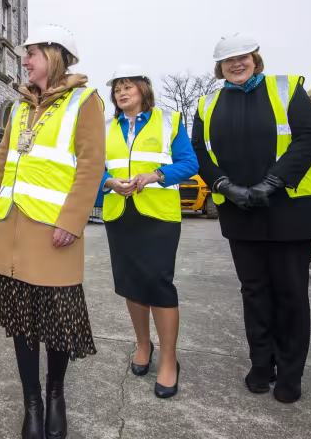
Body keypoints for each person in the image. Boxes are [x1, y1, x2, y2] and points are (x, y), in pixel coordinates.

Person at [192, 34, 311, 404]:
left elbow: (309, 137)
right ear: (219, 68)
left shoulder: (286, 89)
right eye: (228, 60)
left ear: (255, 58)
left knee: (290, 293)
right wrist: (224, 185)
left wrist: (272, 182)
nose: (237, 64)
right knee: (254, 292)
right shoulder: (207, 104)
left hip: (289, 209)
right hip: (241, 211)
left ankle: (290, 372)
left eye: (243, 57)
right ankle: (260, 364)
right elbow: (199, 153)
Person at [0, 26, 104, 439]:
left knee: (58, 320)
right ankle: (31, 401)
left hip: (54, 231)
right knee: (21, 321)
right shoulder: (18, 107)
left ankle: (55, 394)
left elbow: (91, 167)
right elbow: (2, 160)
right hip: (13, 226)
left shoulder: (85, 101)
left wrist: (71, 221)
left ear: (53, 54)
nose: (24, 60)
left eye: (30, 52)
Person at [98, 65, 198, 399]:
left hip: (158, 215)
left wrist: (154, 176)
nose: (121, 93)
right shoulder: (104, 128)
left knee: (158, 283)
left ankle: (169, 359)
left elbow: (189, 164)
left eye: (128, 87)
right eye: (117, 89)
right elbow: (91, 169)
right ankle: (144, 345)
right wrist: (109, 183)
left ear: (144, 89)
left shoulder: (168, 121)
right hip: (119, 212)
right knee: (131, 283)